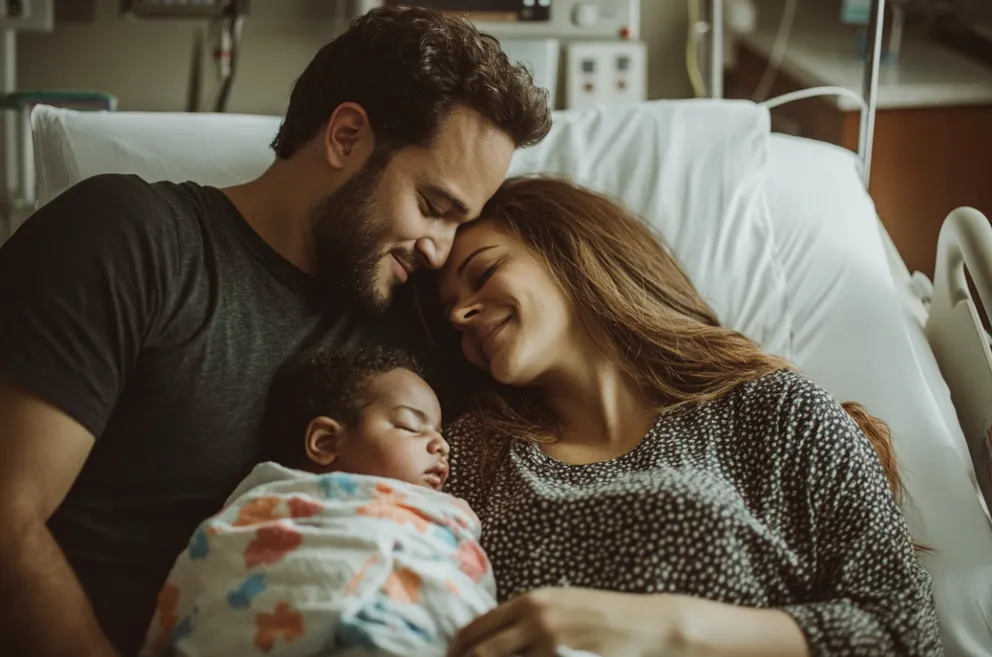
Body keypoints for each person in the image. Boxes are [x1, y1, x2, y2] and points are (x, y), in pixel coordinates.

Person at [0, 7, 551, 657]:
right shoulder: (132, 239)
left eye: (460, 223)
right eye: (433, 207)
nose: (439, 250)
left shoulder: (428, 321)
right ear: (346, 136)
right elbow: (8, 515)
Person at [428, 176, 944, 657]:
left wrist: (670, 629)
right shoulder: (469, 453)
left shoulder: (776, 413)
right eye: (449, 315)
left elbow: (904, 630)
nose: (458, 315)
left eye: (484, 273)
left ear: (569, 249)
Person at [139, 344, 597, 657]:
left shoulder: (442, 518)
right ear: (325, 442)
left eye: (439, 431)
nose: (441, 445)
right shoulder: (262, 512)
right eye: (411, 425)